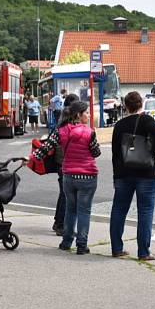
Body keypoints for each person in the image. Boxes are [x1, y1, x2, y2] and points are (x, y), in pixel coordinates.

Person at [109, 91, 155, 261]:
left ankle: (117, 248)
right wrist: (152, 155)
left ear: (125, 106)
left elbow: (115, 152)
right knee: (145, 211)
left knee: (119, 210)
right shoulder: (147, 120)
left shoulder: (119, 125)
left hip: (123, 173)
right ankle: (143, 252)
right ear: (141, 103)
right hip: (146, 173)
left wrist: (116, 175)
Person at [56, 100, 100, 254]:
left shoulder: (61, 130)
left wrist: (30, 159)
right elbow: (96, 153)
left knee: (70, 209)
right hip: (88, 177)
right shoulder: (90, 132)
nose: (89, 115)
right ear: (78, 115)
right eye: (86, 113)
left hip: (68, 175)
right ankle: (81, 245)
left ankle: (66, 242)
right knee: (84, 211)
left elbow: (46, 148)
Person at [32, 93, 79, 235]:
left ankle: (58, 223)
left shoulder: (62, 122)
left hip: (62, 163)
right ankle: (60, 225)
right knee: (66, 195)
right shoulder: (68, 125)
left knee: (64, 194)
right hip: (64, 164)